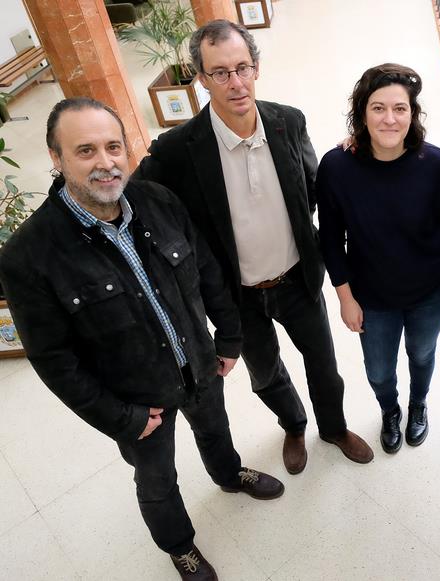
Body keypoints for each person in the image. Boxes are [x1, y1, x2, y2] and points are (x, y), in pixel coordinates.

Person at [0, 97, 285, 581]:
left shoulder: (158, 200)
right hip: (136, 400)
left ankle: (227, 474)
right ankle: (179, 545)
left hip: (199, 365)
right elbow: (54, 360)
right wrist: (122, 418)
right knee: (156, 479)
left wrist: (229, 339)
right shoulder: (28, 256)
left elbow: (208, 272)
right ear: (56, 157)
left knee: (216, 431)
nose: (106, 162)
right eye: (85, 150)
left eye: (114, 146)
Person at [134, 20, 373, 474]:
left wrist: (355, 163)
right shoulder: (177, 150)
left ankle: (334, 427)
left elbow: (315, 188)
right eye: (220, 72)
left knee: (324, 365)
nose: (235, 82)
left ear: (257, 68)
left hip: (297, 278)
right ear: (200, 78)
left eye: (242, 67)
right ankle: (294, 424)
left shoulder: (288, 121)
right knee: (264, 374)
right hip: (235, 296)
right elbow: (131, 198)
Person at [317, 63, 440, 454]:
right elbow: (330, 238)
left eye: (400, 108)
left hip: (432, 288)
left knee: (422, 353)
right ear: (362, 112)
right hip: (371, 295)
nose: (390, 119)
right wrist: (345, 297)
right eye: (378, 108)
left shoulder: (435, 162)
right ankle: (389, 410)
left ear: (413, 114)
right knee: (378, 370)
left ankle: (418, 405)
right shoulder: (337, 166)